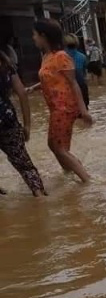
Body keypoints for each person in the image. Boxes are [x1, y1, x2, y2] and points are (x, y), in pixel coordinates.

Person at [32, 19, 93, 183]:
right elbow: (51, 78)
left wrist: (84, 111)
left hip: (64, 108)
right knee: (53, 145)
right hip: (55, 108)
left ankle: (87, 180)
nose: (33, 38)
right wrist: (33, 88)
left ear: (43, 36)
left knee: (59, 148)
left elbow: (73, 84)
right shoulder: (46, 57)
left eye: (35, 35)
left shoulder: (61, 56)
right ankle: (69, 172)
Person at [0, 50, 46, 196]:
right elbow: (22, 93)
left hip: (7, 122)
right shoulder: (6, 65)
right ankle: (39, 195)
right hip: (8, 121)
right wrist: (27, 125)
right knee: (24, 164)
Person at [65, 34, 90, 109]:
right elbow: (85, 73)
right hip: (81, 86)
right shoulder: (82, 56)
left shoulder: (61, 57)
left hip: (67, 88)